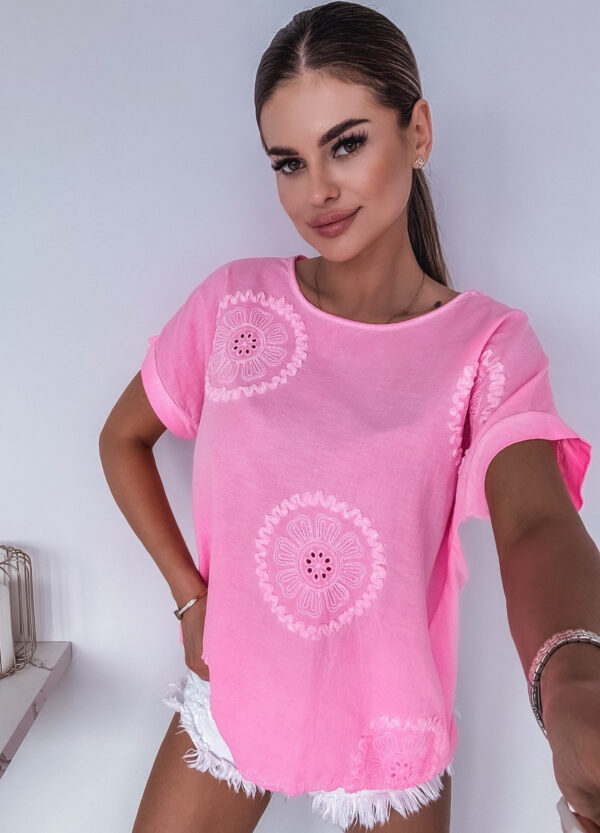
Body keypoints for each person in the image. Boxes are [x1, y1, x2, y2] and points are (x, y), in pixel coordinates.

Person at [98, 3, 600, 832]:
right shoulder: (234, 306)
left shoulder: (485, 347)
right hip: (235, 694)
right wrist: (191, 603)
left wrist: (578, 686)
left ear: (418, 132)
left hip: (391, 726)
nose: (318, 191)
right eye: (289, 162)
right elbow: (123, 438)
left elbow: (536, 523)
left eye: (346, 143)